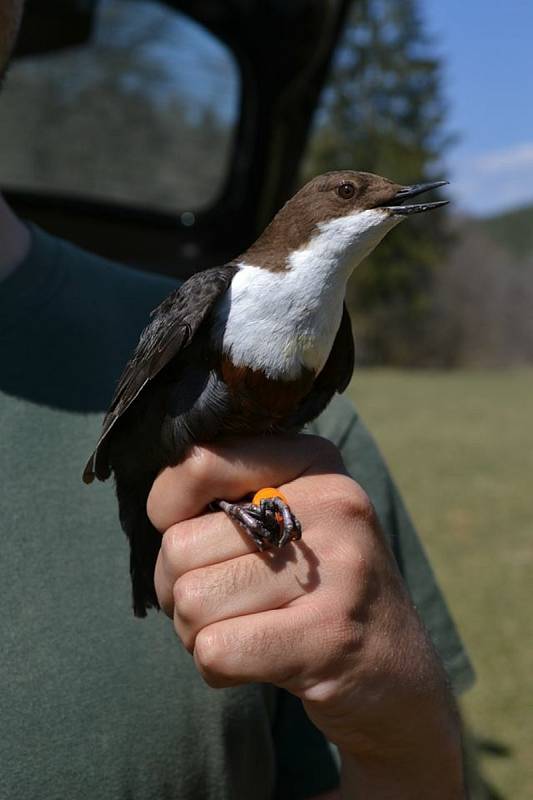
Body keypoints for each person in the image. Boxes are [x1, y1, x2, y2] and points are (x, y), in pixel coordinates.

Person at [0, 3, 473, 798]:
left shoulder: (328, 343)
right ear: (309, 219)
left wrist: (399, 730)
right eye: (357, 194)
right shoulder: (217, 295)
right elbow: (144, 399)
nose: (379, 202)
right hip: (154, 460)